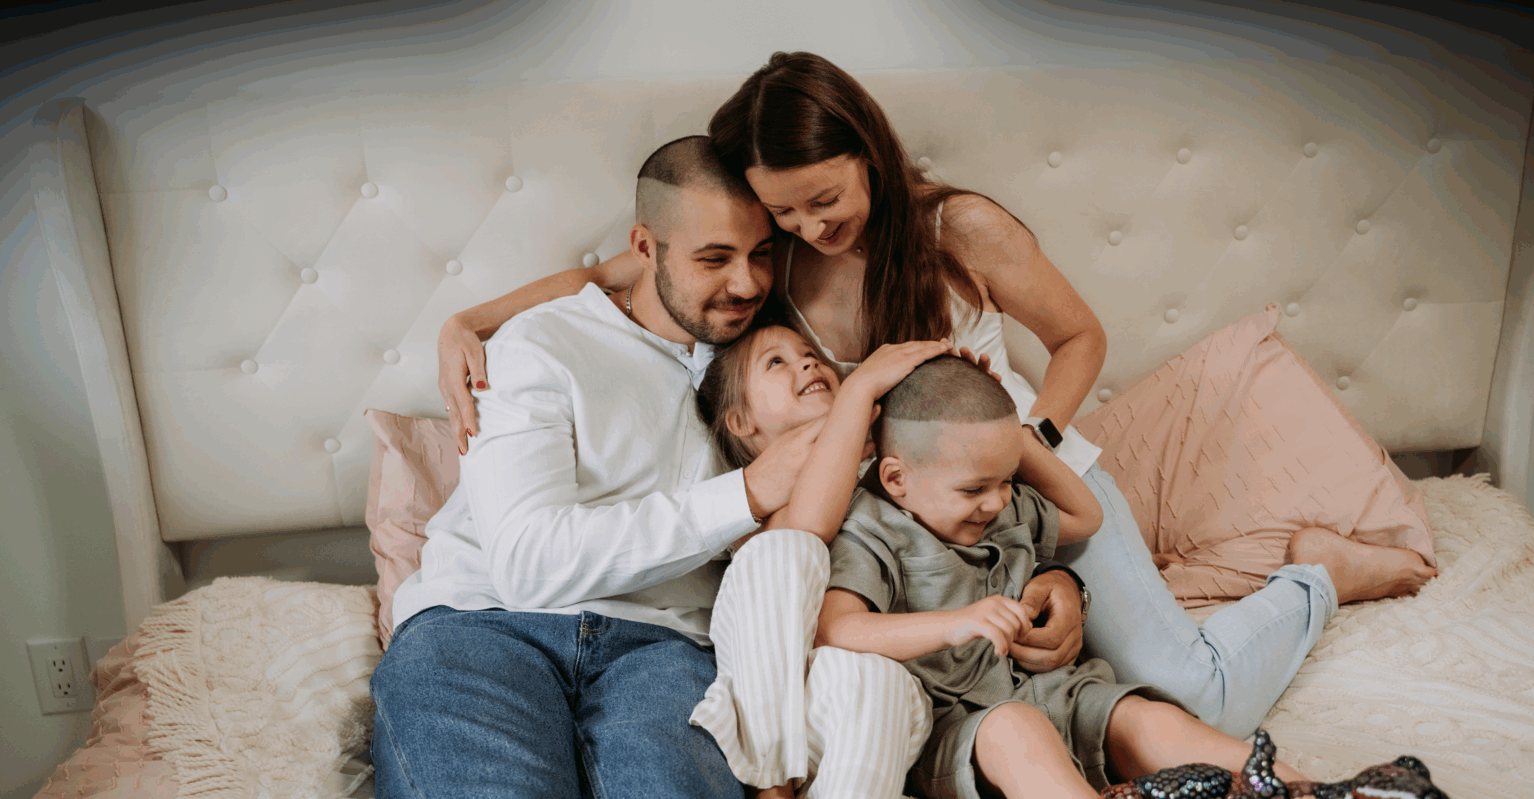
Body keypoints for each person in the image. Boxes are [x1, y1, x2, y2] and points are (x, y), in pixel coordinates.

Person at [437, 52, 1436, 738]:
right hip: (906, 526)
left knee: (1195, 696)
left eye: (825, 199)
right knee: (988, 707)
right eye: (783, 212)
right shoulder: (762, 253)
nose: (807, 228)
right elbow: (611, 276)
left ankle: (1318, 575)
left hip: (1026, 481)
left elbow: (1081, 338)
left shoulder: (956, 230)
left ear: (868, 155)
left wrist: (1027, 455)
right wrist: (469, 321)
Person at [371, 136, 928, 798]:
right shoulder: (543, 341)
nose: (747, 283)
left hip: (666, 649)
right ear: (644, 248)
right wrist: (747, 491)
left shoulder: (770, 368)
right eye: (714, 259)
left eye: (761, 254)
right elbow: (528, 563)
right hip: (483, 622)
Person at [813, 355, 1312, 798]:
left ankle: (1305, 791)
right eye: (973, 489)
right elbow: (837, 628)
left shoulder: (1002, 507)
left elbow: (1086, 516)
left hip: (1057, 692)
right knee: (1015, 730)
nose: (996, 500)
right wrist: (955, 623)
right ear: (896, 478)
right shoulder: (870, 528)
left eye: (1006, 480)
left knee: (1149, 720)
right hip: (962, 726)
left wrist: (1010, 438)